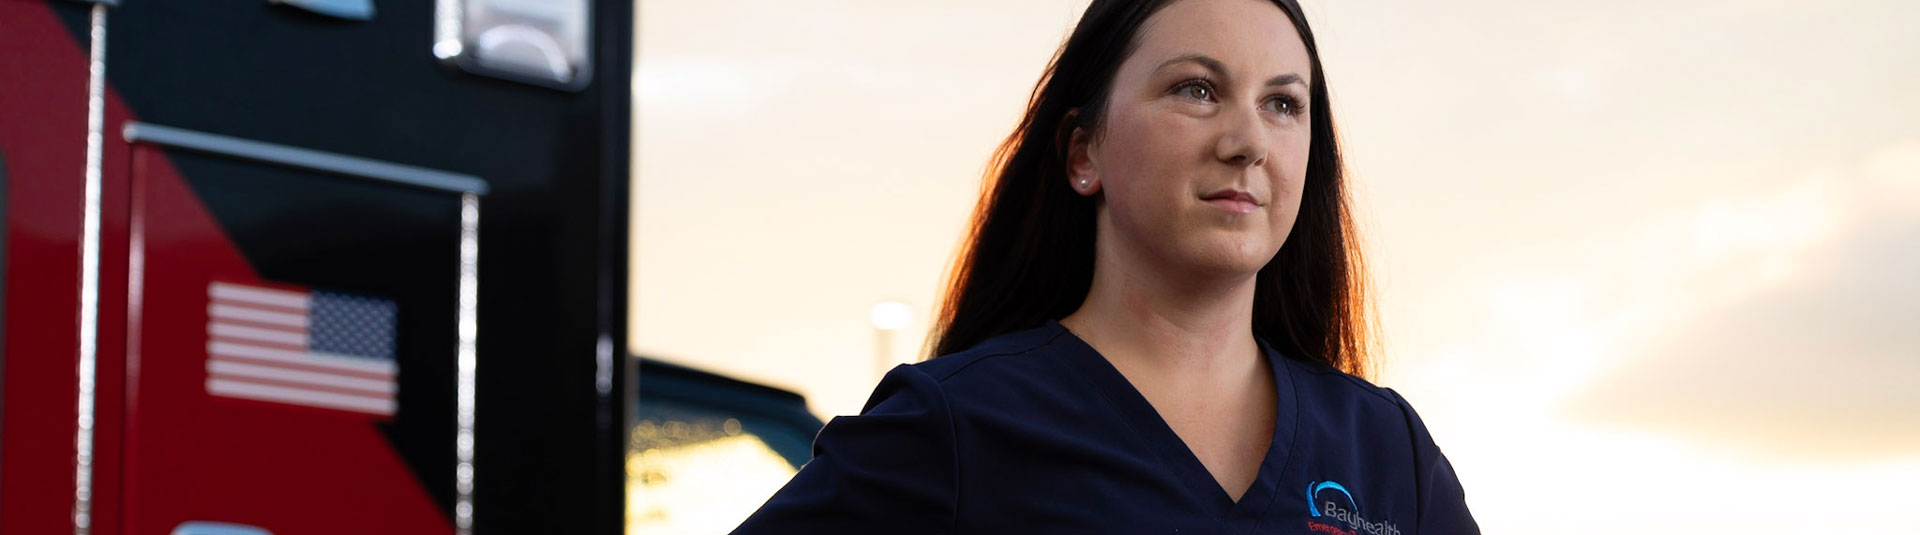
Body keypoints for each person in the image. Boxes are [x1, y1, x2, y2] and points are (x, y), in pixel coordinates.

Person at [731, 0, 1479, 532]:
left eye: (1284, 104)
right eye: (1197, 90)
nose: (1248, 139)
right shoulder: (957, 427)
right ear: (1084, 152)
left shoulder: (1387, 451)